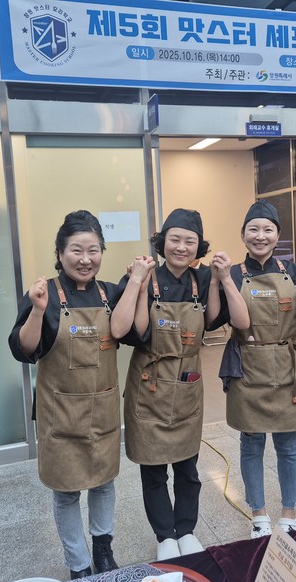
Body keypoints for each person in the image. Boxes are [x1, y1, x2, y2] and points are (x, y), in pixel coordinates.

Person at [8, 210, 154, 580]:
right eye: (76, 250)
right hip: (60, 416)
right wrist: (37, 312)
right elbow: (24, 349)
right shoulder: (43, 294)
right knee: (66, 492)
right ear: (60, 253)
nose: (85, 259)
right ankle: (78, 564)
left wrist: (137, 285)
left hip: (102, 410)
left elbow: (135, 334)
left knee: (104, 483)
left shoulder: (110, 293)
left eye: (93, 250)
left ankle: (103, 551)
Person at [114, 208, 249, 561]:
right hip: (149, 385)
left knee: (188, 469)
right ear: (162, 242)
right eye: (174, 239)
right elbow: (134, 332)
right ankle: (165, 536)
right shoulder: (145, 276)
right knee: (153, 469)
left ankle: (186, 530)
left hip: (187, 383)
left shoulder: (203, 279)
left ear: (198, 247)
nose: (181, 247)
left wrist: (219, 280)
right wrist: (137, 283)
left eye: (190, 241)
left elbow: (214, 320)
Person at [210, 200, 296, 539]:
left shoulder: (294, 272)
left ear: (277, 235)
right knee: (251, 444)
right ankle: (259, 515)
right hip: (247, 368)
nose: (260, 236)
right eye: (253, 229)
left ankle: (289, 514)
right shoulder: (233, 274)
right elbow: (218, 318)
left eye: (268, 230)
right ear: (243, 234)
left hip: (285, 367)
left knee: (287, 444)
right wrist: (217, 280)